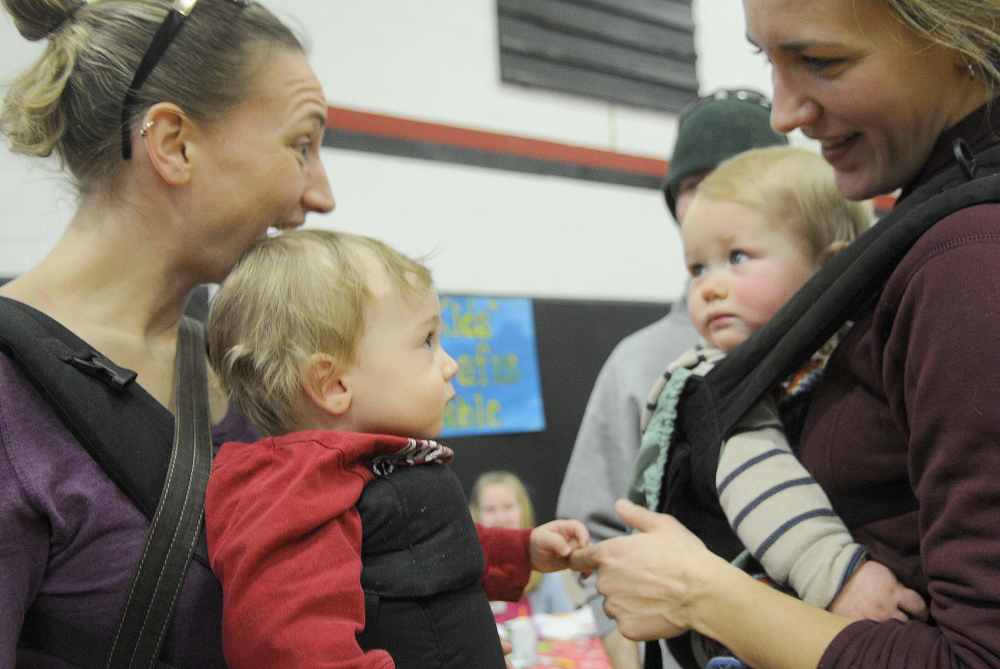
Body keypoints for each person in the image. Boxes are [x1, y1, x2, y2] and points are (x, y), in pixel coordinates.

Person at [571, 1, 1000, 667]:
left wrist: (705, 595)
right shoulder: (928, 237)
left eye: (820, 61)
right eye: (765, 60)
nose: (782, 114)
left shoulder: (966, 259)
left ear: (960, 37)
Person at [0, 0, 335, 666]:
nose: (321, 194)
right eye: (302, 144)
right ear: (175, 143)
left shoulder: (234, 372)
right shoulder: (11, 396)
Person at [204, 229, 590, 669]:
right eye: (426, 342)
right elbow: (289, 643)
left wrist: (518, 553)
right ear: (333, 384)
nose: (451, 364)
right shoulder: (292, 491)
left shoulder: (372, 470)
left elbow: (422, 546)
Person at [632, 145, 927, 666]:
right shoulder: (719, 381)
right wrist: (838, 574)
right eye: (697, 268)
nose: (709, 287)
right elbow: (757, 474)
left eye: (737, 258)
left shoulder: (850, 354)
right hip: (757, 621)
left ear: (830, 269)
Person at [556, 90, 787, 669]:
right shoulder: (636, 363)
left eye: (739, 174)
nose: (715, 197)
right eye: (694, 184)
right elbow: (597, 534)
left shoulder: (856, 337)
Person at [471, 470, 582, 623]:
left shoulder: (546, 572)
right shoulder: (468, 574)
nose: (500, 518)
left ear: (523, 509)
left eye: (508, 507)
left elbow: (568, 627)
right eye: (490, 509)